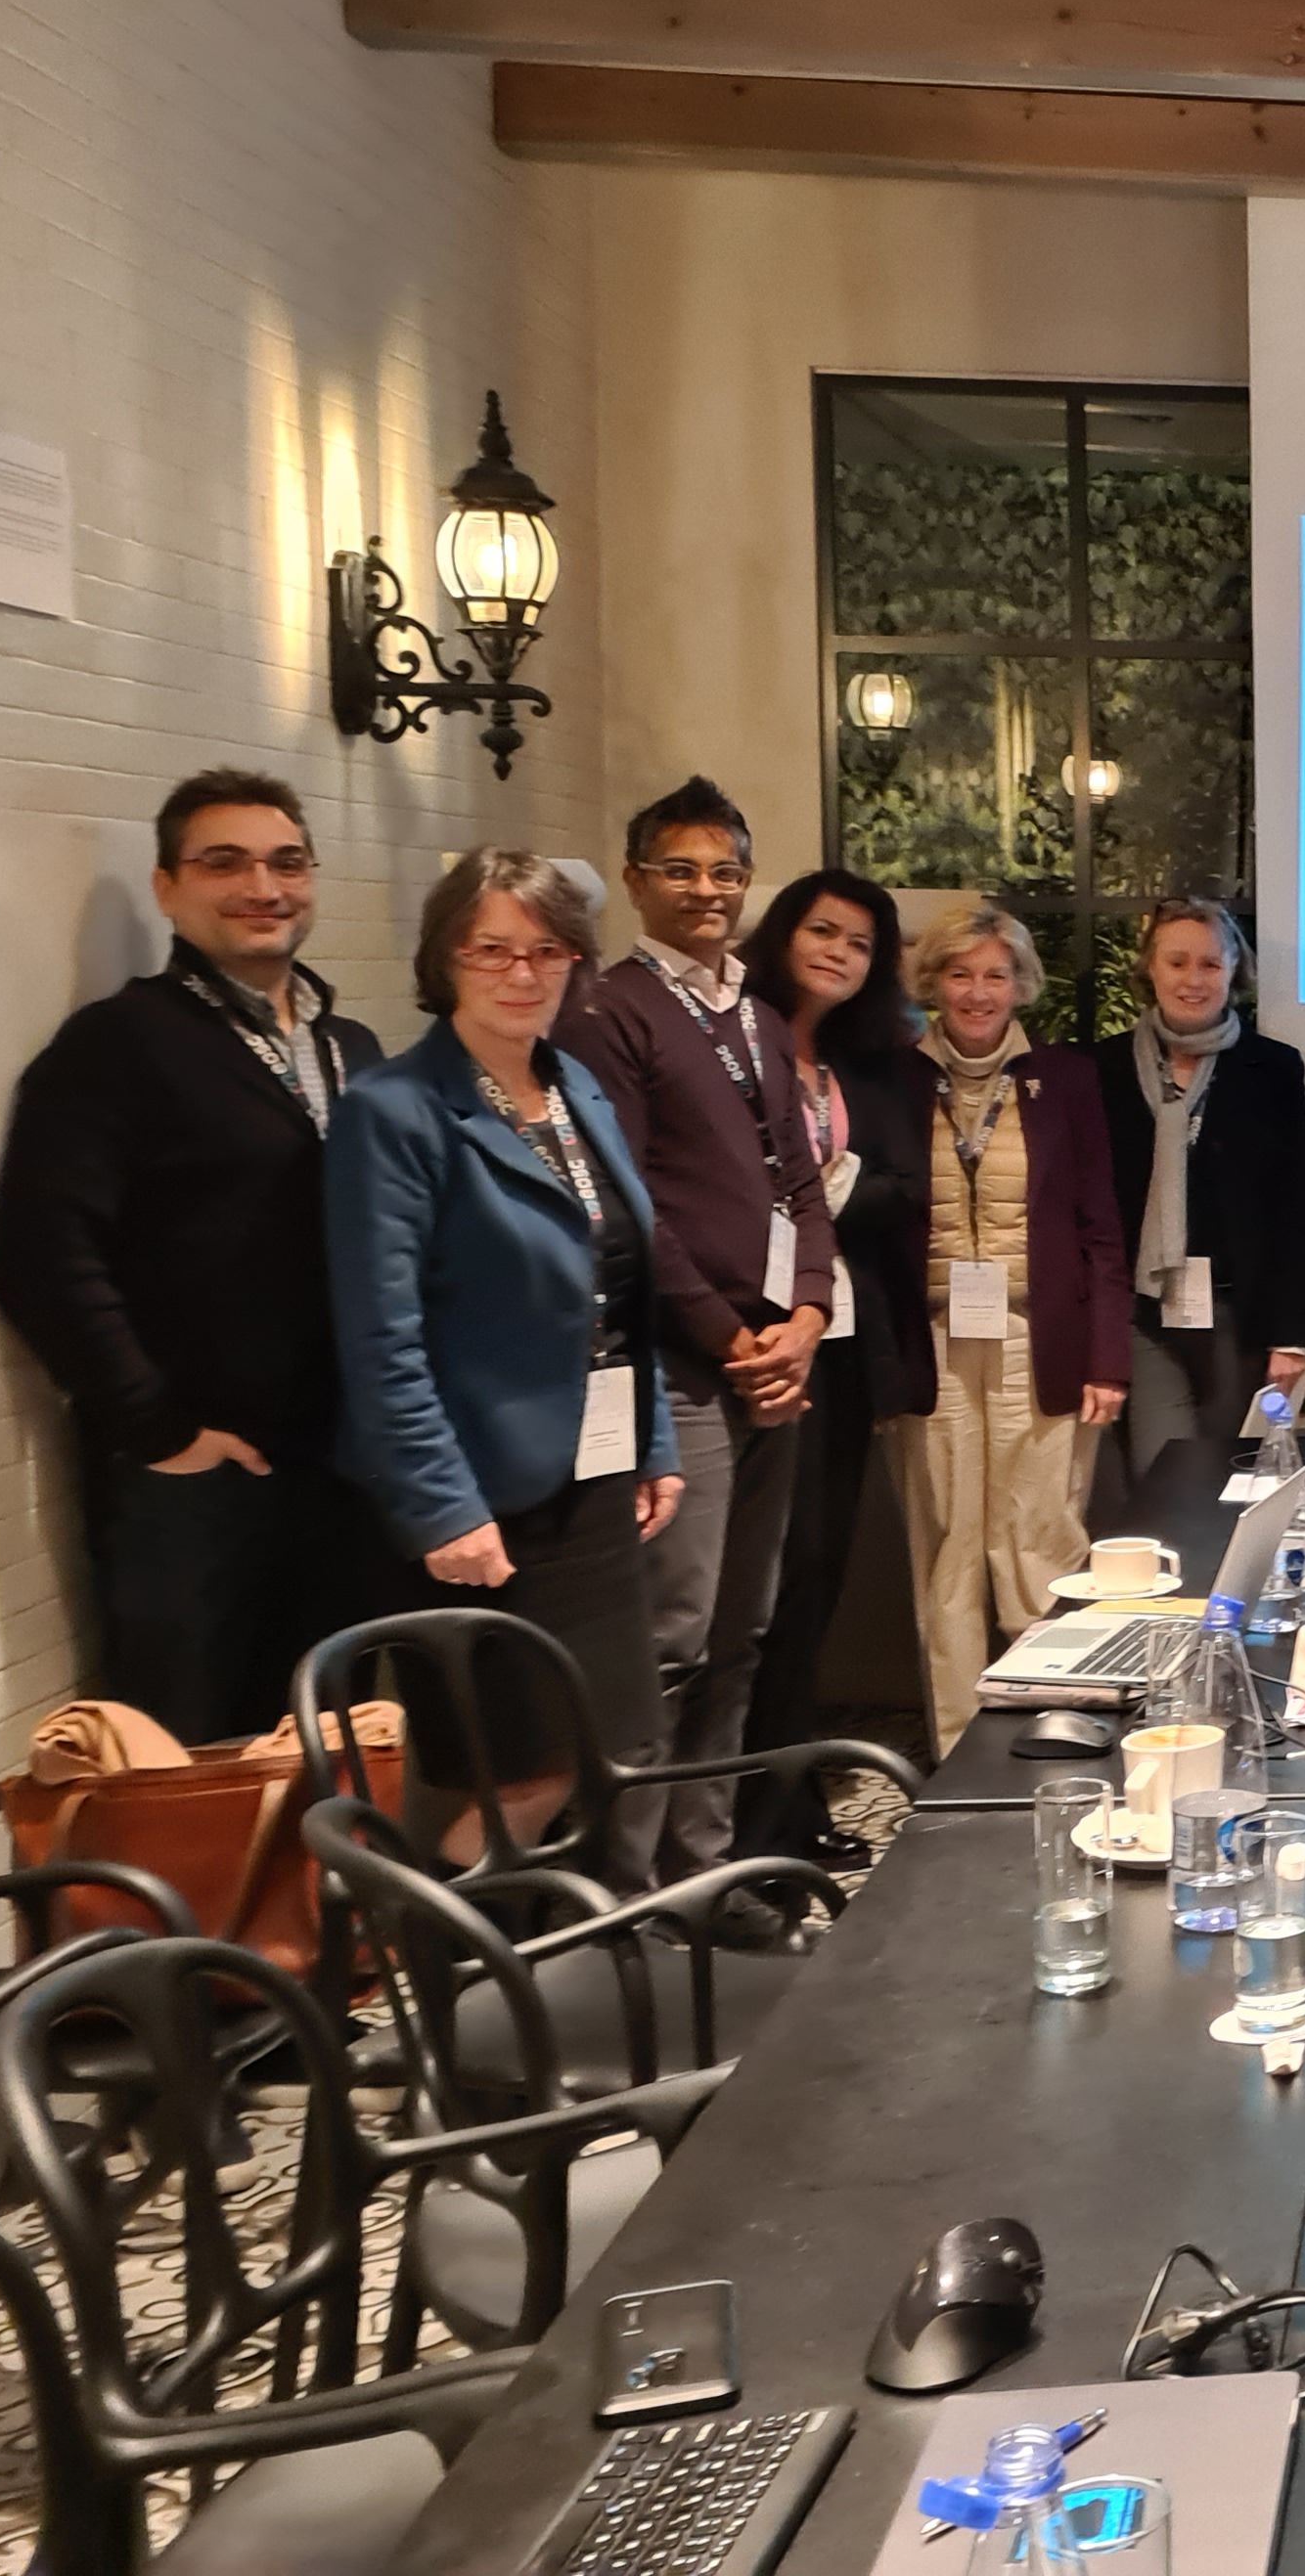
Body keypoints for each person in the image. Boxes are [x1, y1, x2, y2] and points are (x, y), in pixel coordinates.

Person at [0, 770, 391, 1739]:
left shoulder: (353, 1047)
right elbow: (40, 1255)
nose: (263, 887)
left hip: (340, 1470)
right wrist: (160, 1430)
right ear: (167, 887)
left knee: (332, 1744)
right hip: (195, 1484)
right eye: (225, 864)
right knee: (191, 1755)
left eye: (287, 863)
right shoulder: (116, 1046)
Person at [326, 852, 681, 1860]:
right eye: (492, 950)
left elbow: (622, 1285)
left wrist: (652, 1441)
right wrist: (441, 1505)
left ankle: (557, 1938)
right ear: (445, 958)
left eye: (546, 950)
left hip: (590, 1486)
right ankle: (447, 1939)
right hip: (482, 1493)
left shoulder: (575, 1088)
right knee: (521, 1769)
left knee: (606, 1747)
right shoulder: (394, 1111)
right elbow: (380, 1333)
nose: (522, 974)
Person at [556, 777, 836, 1889]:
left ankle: (704, 1872)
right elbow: (627, 1204)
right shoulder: (606, 1012)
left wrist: (807, 1316)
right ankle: (628, 1897)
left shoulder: (753, 1014)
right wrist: (733, 1340)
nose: (706, 890)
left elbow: (800, 1183)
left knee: (741, 1633)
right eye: (680, 870)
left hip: (775, 1361)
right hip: (685, 1370)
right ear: (636, 882)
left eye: (726, 871)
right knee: (672, 1640)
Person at [895, 903, 1130, 1754]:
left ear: (1020, 984)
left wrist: (1109, 1358)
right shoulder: (893, 1079)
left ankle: (1053, 1734)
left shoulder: (1064, 1080)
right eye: (960, 974)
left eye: (995, 975)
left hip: (1042, 1340)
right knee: (948, 1555)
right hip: (932, 1347)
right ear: (934, 983)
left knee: (1040, 1542)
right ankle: (960, 1752)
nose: (978, 992)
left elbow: (1101, 1228)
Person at [736, 869, 934, 1867]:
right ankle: (744, 1824)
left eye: (860, 944)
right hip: (748, 1344)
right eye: (823, 932)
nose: (839, 954)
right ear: (783, 934)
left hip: (846, 1342)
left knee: (815, 1578)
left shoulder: (871, 1061)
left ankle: (787, 1807)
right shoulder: (733, 1037)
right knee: (757, 1595)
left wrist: (816, 1192)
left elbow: (905, 1187)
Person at [1094, 898, 1305, 1523]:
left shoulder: (1271, 1069)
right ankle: (1179, 1587)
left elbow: (1293, 1206)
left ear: (1233, 972)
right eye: (1177, 962)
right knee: (1162, 1480)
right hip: (1143, 1313)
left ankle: (1228, 1588)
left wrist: (1292, 1336)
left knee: (1231, 1483)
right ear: (1150, 968)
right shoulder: (1102, 1067)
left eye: (1210, 965)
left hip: (1236, 1318)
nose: (1193, 980)